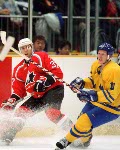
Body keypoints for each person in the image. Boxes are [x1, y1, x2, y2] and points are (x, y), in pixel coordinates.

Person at [0, 38, 73, 145]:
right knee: (20, 113)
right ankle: (6, 137)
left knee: (52, 113)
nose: (26, 50)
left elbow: (58, 73)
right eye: (23, 48)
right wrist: (13, 100)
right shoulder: (18, 69)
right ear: (20, 50)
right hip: (37, 95)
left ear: (31, 47)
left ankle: (76, 133)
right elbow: (19, 91)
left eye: (28, 47)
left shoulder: (40, 57)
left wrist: (45, 82)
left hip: (53, 89)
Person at [55, 42, 120, 149]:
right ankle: (86, 141)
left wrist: (91, 95)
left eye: (103, 54)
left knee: (84, 121)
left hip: (111, 107)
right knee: (81, 120)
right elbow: (94, 81)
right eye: (99, 53)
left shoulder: (115, 70)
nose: (100, 56)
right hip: (97, 102)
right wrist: (82, 83)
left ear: (109, 56)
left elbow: (111, 95)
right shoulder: (96, 65)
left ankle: (66, 141)